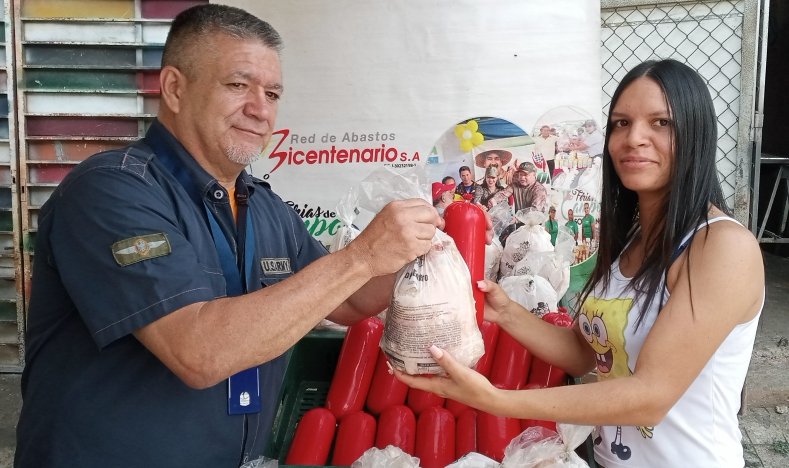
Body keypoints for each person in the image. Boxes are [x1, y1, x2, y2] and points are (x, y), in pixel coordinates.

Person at [14, 5, 444, 467]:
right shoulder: (111, 190)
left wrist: (421, 253)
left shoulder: (264, 206)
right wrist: (361, 256)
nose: (260, 110)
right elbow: (198, 352)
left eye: (273, 93)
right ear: (175, 89)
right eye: (238, 85)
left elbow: (351, 302)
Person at [396, 58, 764, 467]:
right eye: (621, 123)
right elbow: (587, 355)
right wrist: (505, 313)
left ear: (696, 133)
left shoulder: (722, 246)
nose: (634, 138)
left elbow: (650, 397)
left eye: (661, 122)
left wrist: (497, 401)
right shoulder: (630, 240)